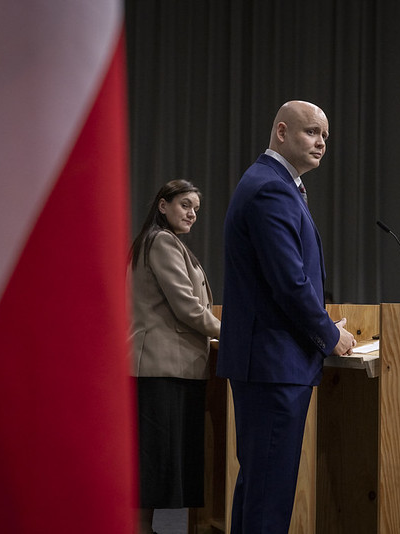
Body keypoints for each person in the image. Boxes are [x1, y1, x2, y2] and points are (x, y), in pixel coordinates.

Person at [217, 100, 356, 533]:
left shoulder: (276, 183)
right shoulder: (270, 187)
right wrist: (329, 336)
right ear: (281, 132)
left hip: (270, 362)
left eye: (325, 138)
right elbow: (289, 283)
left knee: (260, 488)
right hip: (274, 365)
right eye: (312, 132)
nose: (321, 144)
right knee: (269, 494)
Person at [128, 179, 221, 534]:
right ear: (163, 205)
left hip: (166, 368)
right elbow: (188, 308)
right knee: (153, 466)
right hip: (161, 368)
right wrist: (229, 334)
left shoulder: (158, 242)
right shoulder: (162, 242)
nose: (192, 213)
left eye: (196, 208)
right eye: (185, 205)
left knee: (155, 465)